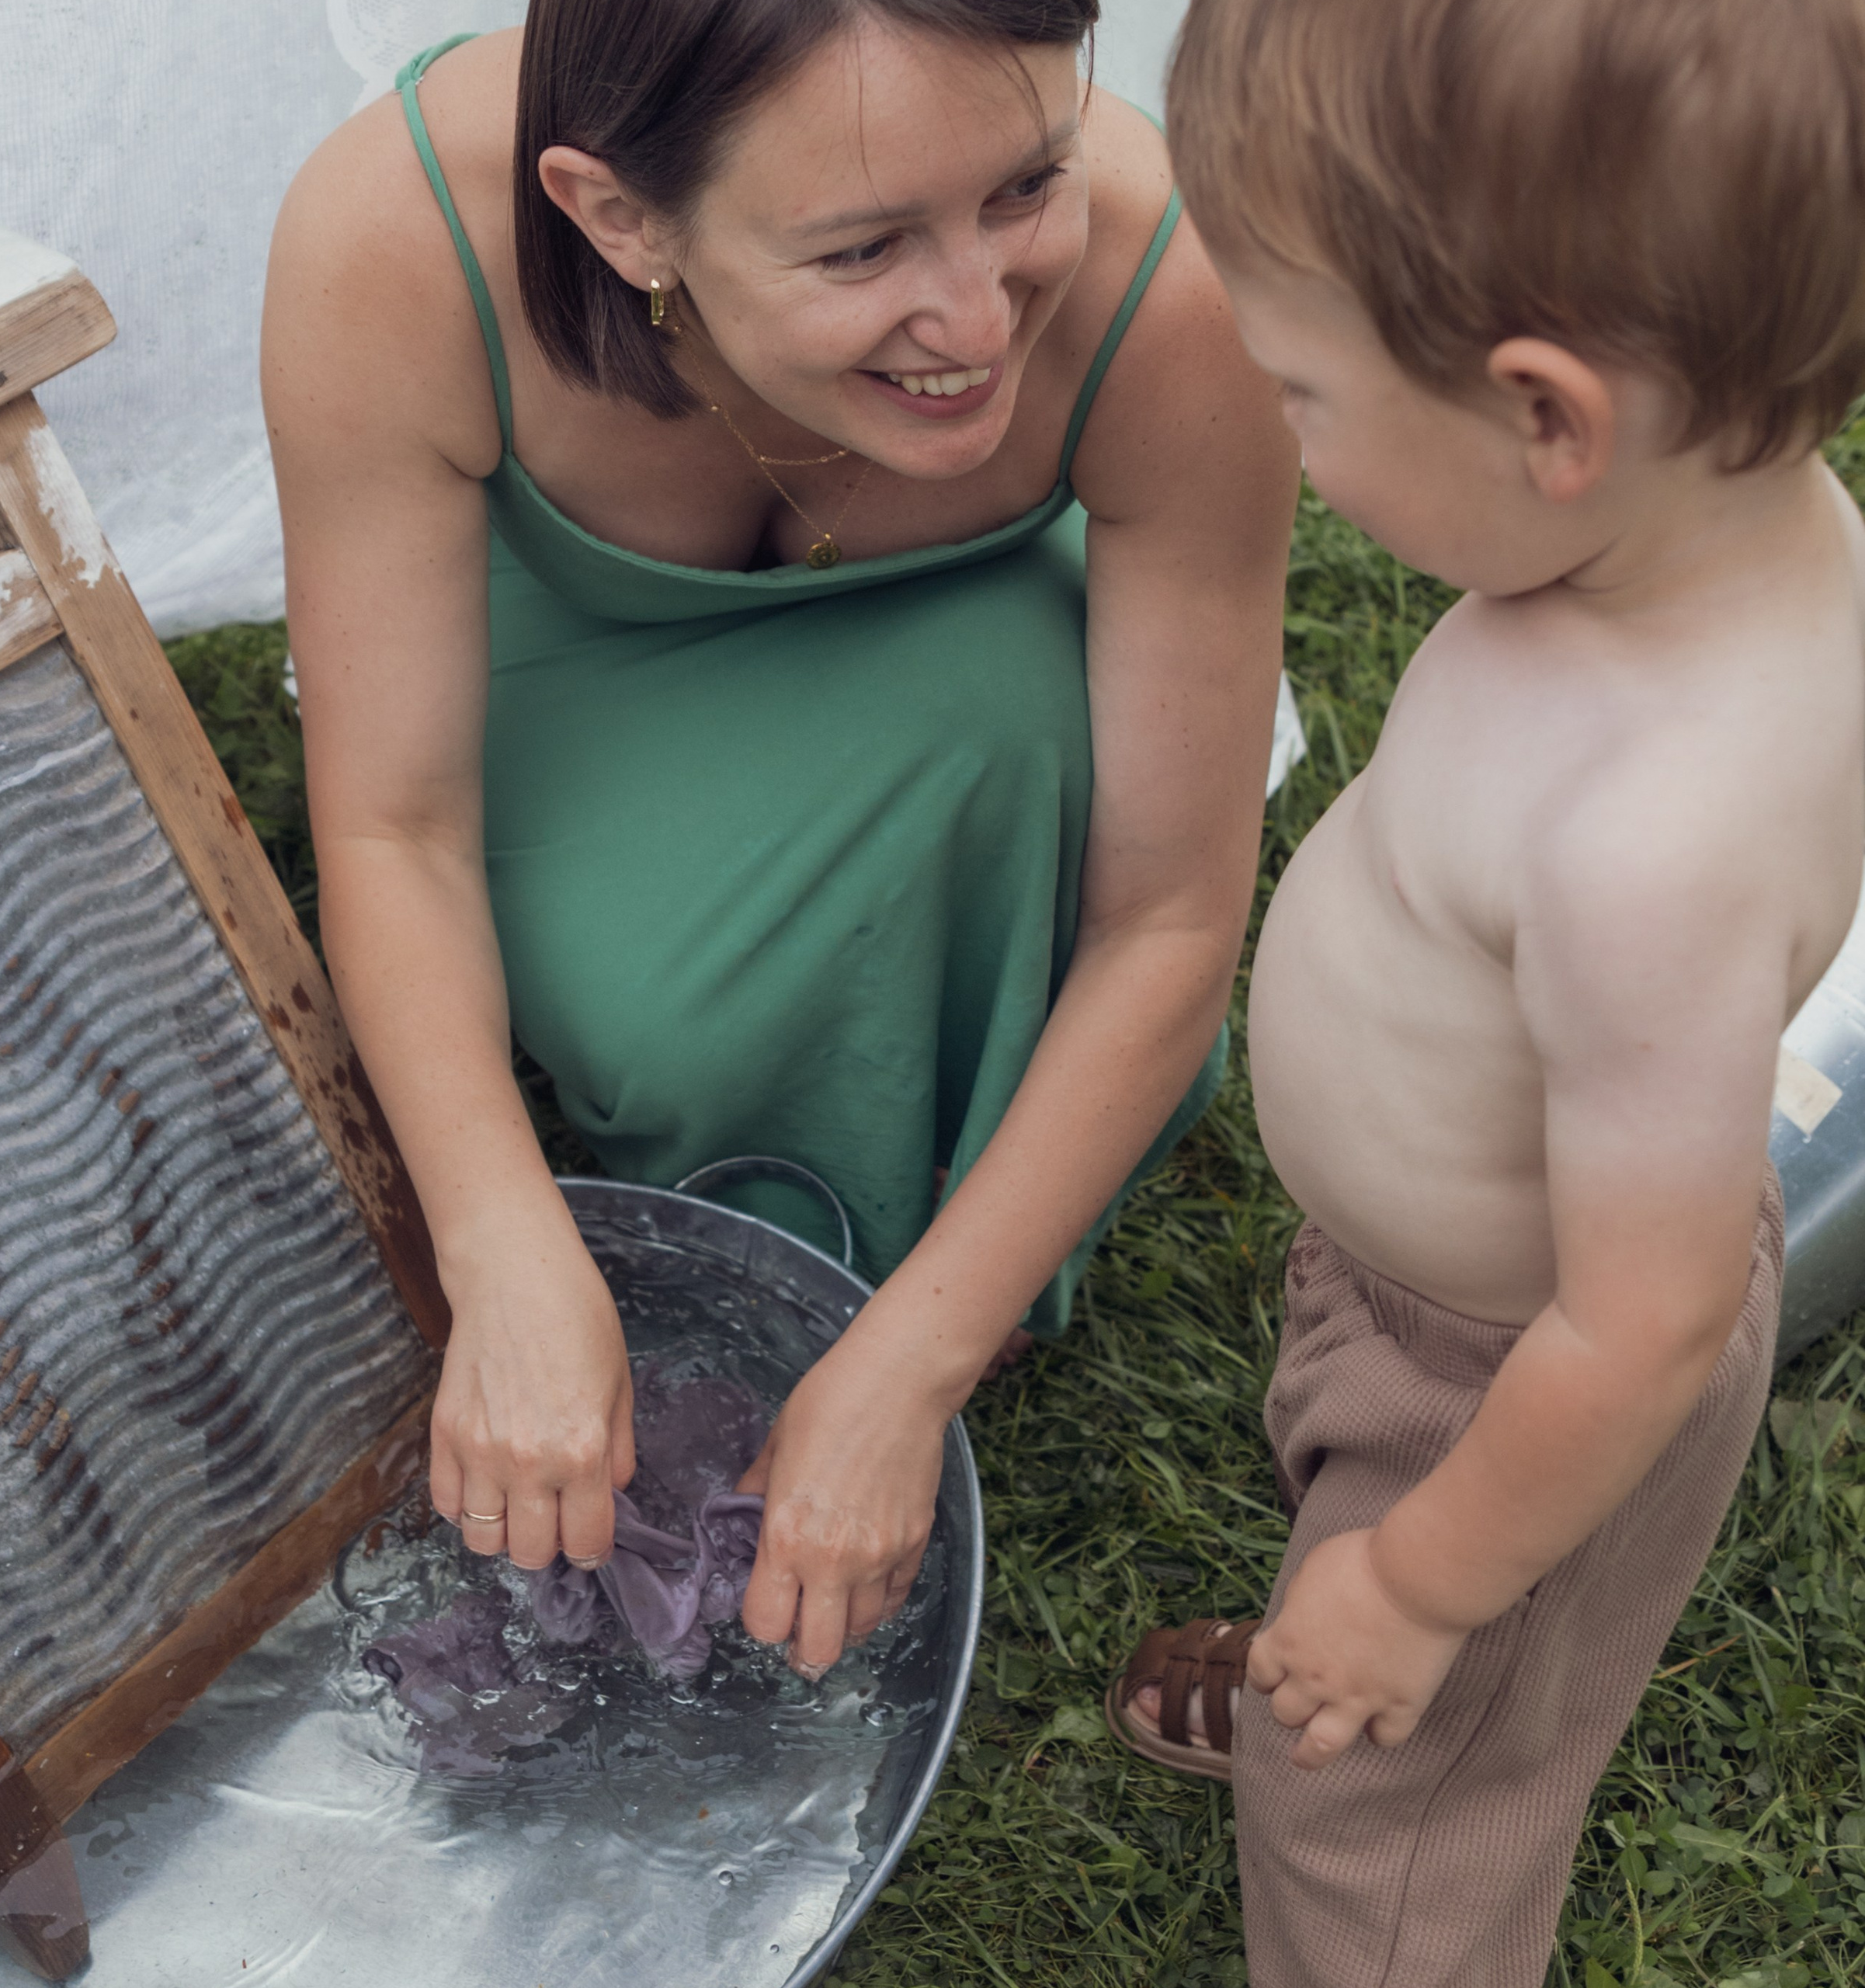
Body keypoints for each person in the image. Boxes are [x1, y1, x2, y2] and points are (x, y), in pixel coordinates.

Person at [262, 1, 1296, 1681]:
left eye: (1026, 184)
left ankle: (930, 1252)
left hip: (965, 644)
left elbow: (1171, 917)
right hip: (572, 647)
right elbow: (396, 826)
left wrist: (911, 1367)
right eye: (861, 247)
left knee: (1025, 741)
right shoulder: (396, 239)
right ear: (619, 218)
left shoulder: (1165, 291)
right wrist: (502, 1247)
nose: (978, 318)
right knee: (670, 1005)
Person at [1104, 0, 1865, 1979]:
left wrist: (1424, 1585)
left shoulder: (1651, 844)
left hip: (1511, 1379)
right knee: (1347, 1561)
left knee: (1387, 1820)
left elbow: (1638, 1319)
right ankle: (1335, 1607)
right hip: (1420, 1291)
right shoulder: (1691, 535)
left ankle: (1361, 1700)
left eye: (1300, 387)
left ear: (1546, 422)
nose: (1276, 429)